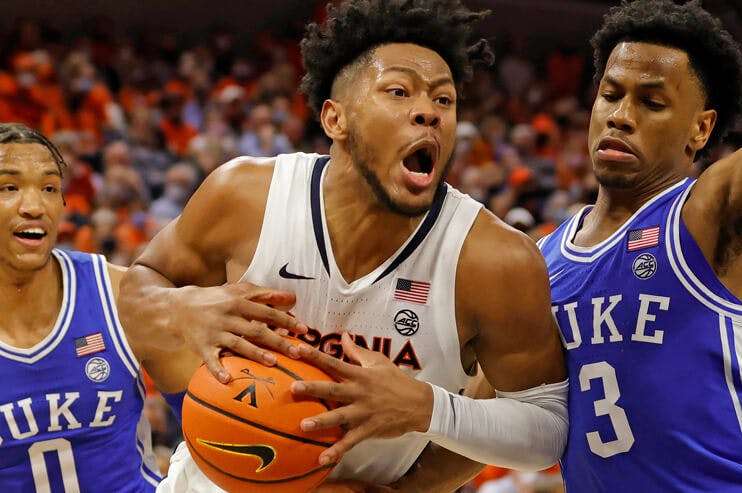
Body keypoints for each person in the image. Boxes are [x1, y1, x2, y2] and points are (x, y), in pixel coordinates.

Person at [118, 0, 568, 491]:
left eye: (444, 100)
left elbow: (545, 429)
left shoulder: (493, 259)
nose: (429, 112)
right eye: (398, 91)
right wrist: (180, 308)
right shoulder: (244, 195)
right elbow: (139, 289)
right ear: (336, 120)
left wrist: (426, 411)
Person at [0, 122, 300, 490]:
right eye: (9, 187)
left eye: (49, 188)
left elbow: (224, 424)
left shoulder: (117, 295)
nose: (33, 206)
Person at [536, 1, 742, 491]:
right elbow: (490, 411)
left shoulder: (707, 216)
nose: (621, 116)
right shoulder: (540, 261)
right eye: (610, 95)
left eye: (652, 103)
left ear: (701, 128)